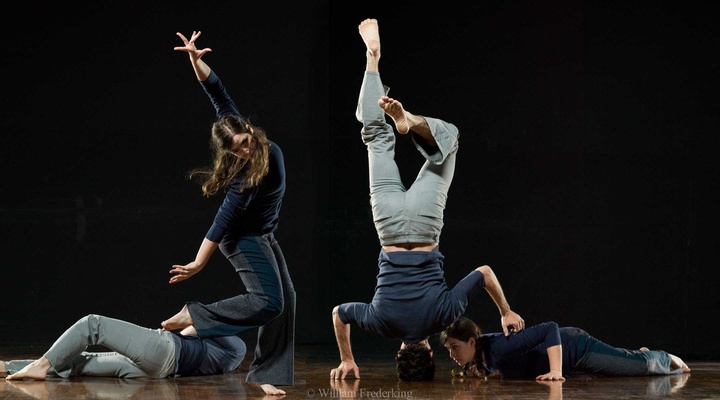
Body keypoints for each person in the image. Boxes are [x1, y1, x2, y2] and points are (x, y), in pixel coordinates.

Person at [329, 19, 525, 382]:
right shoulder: (380, 324)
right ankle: (372, 61)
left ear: (430, 351)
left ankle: (413, 121)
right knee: (375, 136)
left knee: (449, 141)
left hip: (424, 224)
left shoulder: (445, 317)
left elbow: (483, 273)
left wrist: (507, 311)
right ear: (400, 352)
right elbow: (339, 313)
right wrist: (347, 359)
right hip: (387, 225)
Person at [159, 30, 295, 396]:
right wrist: (199, 263)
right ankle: (196, 315)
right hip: (242, 239)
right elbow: (223, 220)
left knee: (287, 301)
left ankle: (268, 373)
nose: (245, 151)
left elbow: (217, 92)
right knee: (269, 301)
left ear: (248, 129)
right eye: (237, 151)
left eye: (246, 143)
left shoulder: (240, 127)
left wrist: (195, 60)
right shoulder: (246, 178)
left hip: (263, 234)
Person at [0, 314, 245, 380]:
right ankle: (2, 367)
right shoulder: (231, 358)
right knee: (81, 361)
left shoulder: (237, 346)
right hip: (159, 371)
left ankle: (40, 366)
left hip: (166, 349)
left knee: (93, 324)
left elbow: (188, 328)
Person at [440, 317, 691, 381]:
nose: (452, 355)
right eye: (449, 349)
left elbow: (550, 328)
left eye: (455, 347)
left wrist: (555, 370)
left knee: (638, 368)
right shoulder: (481, 356)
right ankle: (638, 351)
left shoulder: (502, 346)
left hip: (577, 348)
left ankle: (665, 356)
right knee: (620, 364)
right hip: (572, 361)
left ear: (472, 342)